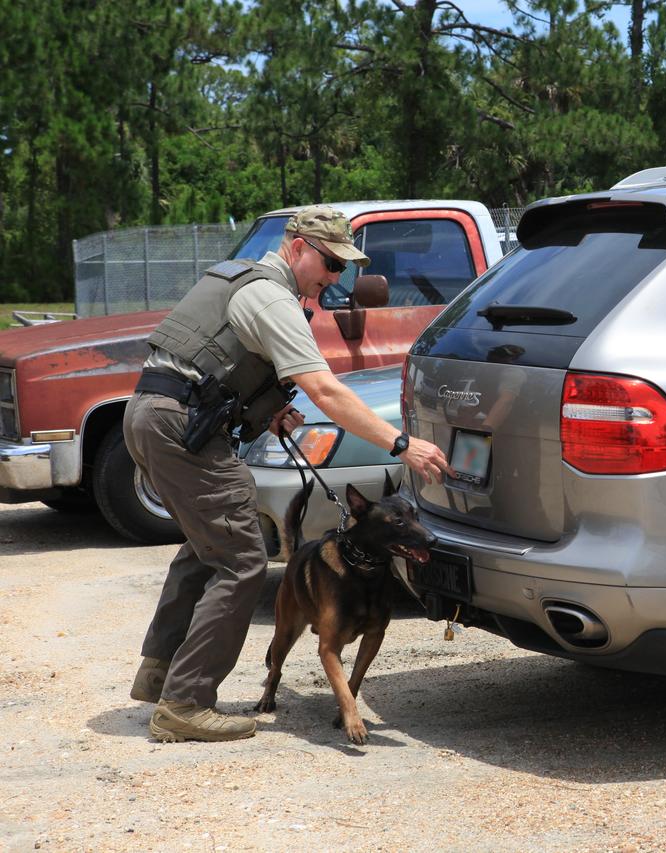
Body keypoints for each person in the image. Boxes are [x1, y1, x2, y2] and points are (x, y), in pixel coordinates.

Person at [124, 204, 450, 743]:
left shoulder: (241, 281)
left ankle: (159, 675)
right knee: (242, 560)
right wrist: (401, 442)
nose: (334, 278)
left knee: (207, 548)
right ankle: (184, 702)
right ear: (297, 247)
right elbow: (325, 390)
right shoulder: (270, 295)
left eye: (343, 268)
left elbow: (207, 365)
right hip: (179, 427)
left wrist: (262, 407)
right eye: (328, 263)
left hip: (153, 415)